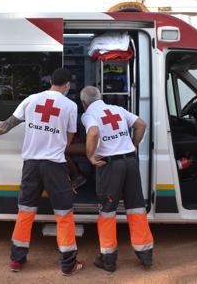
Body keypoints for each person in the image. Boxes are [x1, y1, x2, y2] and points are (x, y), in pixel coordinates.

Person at [0, 68, 84, 276]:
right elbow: (69, 137)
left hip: (31, 165)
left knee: (25, 212)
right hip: (54, 164)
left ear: (51, 81)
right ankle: (68, 264)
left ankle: (17, 260)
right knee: (63, 214)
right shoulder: (70, 106)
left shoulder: (31, 100)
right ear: (67, 85)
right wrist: (56, 145)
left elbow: (10, 123)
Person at [79, 86, 154, 272]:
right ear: (100, 97)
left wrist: (90, 156)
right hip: (130, 162)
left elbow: (94, 133)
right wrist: (133, 145)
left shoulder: (88, 114)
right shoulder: (117, 110)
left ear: (83, 103)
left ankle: (108, 259)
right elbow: (141, 124)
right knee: (136, 207)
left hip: (111, 166)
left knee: (107, 211)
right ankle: (145, 254)